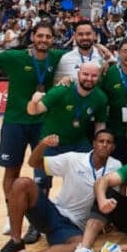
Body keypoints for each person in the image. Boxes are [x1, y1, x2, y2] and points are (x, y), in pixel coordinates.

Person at [0, 22, 65, 237]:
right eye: (40, 36)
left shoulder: (57, 57)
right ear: (33, 36)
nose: (43, 40)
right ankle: (11, 213)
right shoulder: (16, 57)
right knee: (11, 170)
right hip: (15, 122)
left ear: (53, 40)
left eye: (48, 37)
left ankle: (38, 220)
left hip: (43, 122)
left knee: (43, 171)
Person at [0, 130, 122, 252]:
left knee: (79, 246)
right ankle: (16, 241)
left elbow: (115, 198)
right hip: (53, 212)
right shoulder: (73, 159)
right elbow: (33, 163)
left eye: (109, 142)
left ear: (113, 147)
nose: (104, 145)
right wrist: (42, 145)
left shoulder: (116, 166)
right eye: (101, 141)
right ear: (94, 144)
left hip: (72, 228)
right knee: (22, 183)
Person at [27, 62, 108, 190]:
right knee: (41, 184)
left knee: (90, 178)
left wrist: (100, 144)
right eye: (85, 74)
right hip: (51, 143)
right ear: (78, 74)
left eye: (94, 76)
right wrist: (33, 101)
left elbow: (100, 124)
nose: (89, 78)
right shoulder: (61, 90)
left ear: (99, 78)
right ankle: (40, 209)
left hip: (78, 144)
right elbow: (33, 111)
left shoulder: (100, 98)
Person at [100, 37, 127, 166]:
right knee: (117, 169)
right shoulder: (108, 73)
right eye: (125, 51)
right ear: (118, 52)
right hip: (116, 130)